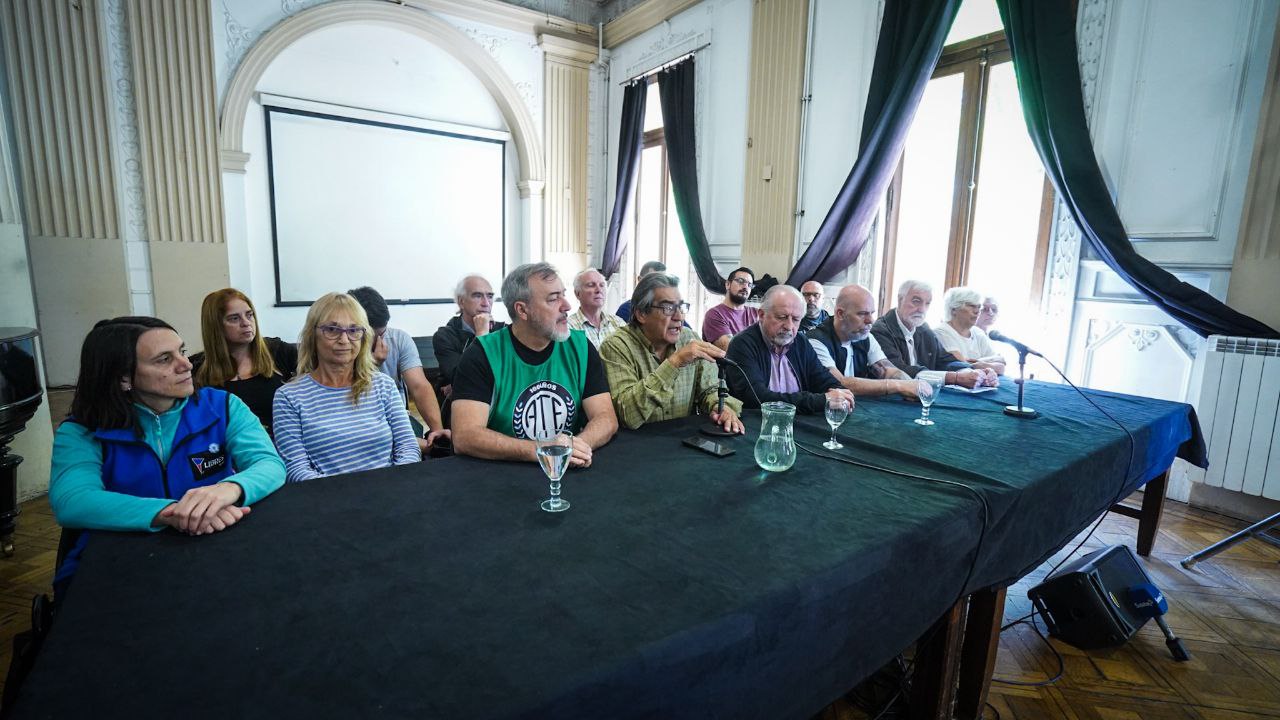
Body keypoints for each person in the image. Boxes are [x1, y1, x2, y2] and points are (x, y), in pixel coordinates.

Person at [49, 316, 285, 585]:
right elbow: (73, 501)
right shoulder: (82, 430)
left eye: (182, 352)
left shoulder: (223, 406)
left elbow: (269, 464)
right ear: (123, 377)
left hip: (215, 545)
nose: (186, 364)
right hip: (118, 560)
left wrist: (229, 489)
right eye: (164, 359)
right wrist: (174, 513)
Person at [451, 263, 618, 468]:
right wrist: (543, 450)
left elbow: (606, 417)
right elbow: (465, 436)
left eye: (563, 295)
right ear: (522, 310)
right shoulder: (483, 354)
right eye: (553, 298)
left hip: (567, 470)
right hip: (503, 475)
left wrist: (574, 447)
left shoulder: (581, 346)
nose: (566, 306)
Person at [273, 293, 421, 482]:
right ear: (313, 335)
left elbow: (408, 447)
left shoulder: (383, 385)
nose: (344, 340)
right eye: (332, 329)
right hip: (326, 500)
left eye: (353, 330)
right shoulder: (289, 397)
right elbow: (296, 468)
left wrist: (392, 484)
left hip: (388, 493)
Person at [600, 273, 744, 433]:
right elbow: (627, 415)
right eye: (668, 308)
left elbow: (711, 390)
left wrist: (720, 407)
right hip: (635, 445)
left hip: (682, 442)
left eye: (681, 307)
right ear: (641, 313)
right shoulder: (616, 346)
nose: (679, 316)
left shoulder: (689, 338)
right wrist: (675, 363)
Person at [725, 285, 855, 414]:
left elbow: (823, 379)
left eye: (796, 319)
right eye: (782, 317)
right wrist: (822, 401)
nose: (789, 326)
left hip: (799, 424)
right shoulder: (742, 344)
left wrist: (840, 393)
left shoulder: (800, 341)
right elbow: (757, 399)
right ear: (761, 315)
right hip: (755, 425)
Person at [348, 285, 448, 449]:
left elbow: (419, 386)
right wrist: (370, 367)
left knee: (432, 447)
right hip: (356, 425)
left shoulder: (399, 339)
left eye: (382, 333)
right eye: (373, 335)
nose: (379, 340)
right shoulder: (341, 348)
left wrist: (438, 432)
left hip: (398, 420)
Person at [191, 288, 297, 435]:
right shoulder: (195, 368)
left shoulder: (278, 351)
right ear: (216, 326)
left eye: (249, 315)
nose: (246, 323)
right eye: (234, 318)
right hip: (227, 449)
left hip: (281, 446)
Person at [870, 280, 996, 389]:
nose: (922, 309)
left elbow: (945, 360)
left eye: (927, 303)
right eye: (916, 301)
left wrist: (974, 372)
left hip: (922, 394)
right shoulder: (881, 330)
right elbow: (898, 371)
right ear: (900, 299)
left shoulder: (923, 328)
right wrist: (955, 378)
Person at [807, 285, 918, 398]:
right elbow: (839, 383)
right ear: (840, 314)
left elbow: (886, 370)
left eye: (872, 313)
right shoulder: (815, 341)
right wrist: (898, 386)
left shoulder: (864, 336)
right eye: (862, 314)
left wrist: (913, 386)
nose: (870, 320)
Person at [434, 274, 505, 399]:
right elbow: (465, 376)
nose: (486, 303)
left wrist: (457, 387)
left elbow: (514, 374)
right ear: (461, 301)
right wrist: (482, 336)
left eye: (490, 296)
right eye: (478, 296)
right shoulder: (445, 336)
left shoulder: (503, 331)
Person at [932, 287, 1006, 375]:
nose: (977, 311)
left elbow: (1001, 366)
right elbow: (961, 365)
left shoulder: (978, 332)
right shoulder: (941, 332)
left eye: (979, 307)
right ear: (954, 309)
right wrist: (991, 362)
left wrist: (979, 363)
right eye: (971, 306)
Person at [703, 266, 759, 350]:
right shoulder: (714, 314)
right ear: (727, 284)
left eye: (749, 284)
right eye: (741, 281)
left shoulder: (757, 314)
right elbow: (732, 350)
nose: (745, 287)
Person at [568, 268, 626, 349]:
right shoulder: (569, 327)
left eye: (602, 285)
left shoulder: (618, 323)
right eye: (591, 285)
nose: (599, 290)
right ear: (577, 293)